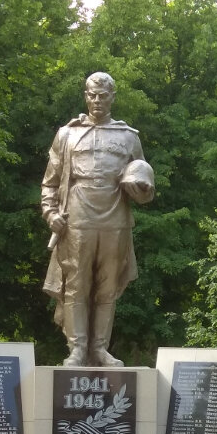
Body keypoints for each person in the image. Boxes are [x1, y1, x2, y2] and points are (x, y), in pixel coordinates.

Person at [41, 72, 154, 367]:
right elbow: (50, 182)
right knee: (76, 284)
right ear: (85, 96)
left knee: (107, 286)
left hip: (115, 219)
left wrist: (142, 188)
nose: (97, 101)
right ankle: (77, 349)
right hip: (77, 217)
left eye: (103, 96)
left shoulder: (129, 136)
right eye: (92, 95)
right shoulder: (67, 135)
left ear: (112, 97)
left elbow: (143, 183)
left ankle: (100, 349)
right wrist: (51, 213)